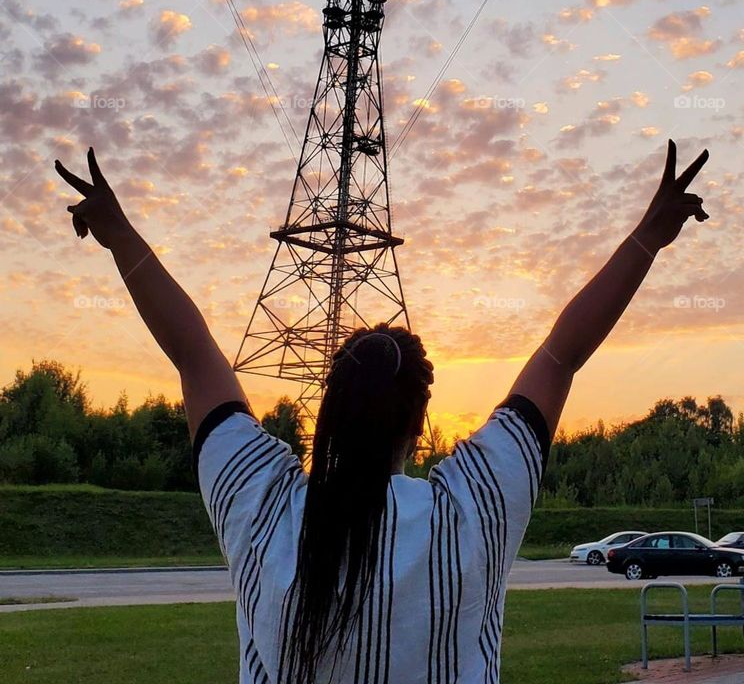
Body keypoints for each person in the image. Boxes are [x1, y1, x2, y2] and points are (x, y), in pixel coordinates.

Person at [55, 139, 709, 683]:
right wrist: (650, 236)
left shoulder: (263, 512)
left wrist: (119, 236)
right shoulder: (469, 511)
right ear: (420, 425)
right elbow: (561, 356)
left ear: (327, 412)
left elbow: (195, 356)